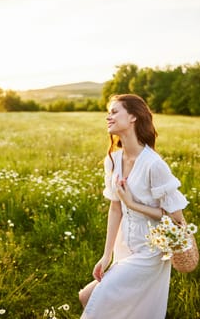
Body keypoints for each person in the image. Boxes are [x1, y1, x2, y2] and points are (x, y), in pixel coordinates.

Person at [79, 94, 189, 319]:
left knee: (93, 300)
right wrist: (106, 255)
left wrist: (133, 204)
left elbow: (175, 217)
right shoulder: (113, 160)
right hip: (124, 246)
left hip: (151, 250)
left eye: (114, 111)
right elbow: (115, 209)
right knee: (89, 298)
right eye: (108, 112)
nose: (108, 117)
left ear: (133, 117)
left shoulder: (154, 164)